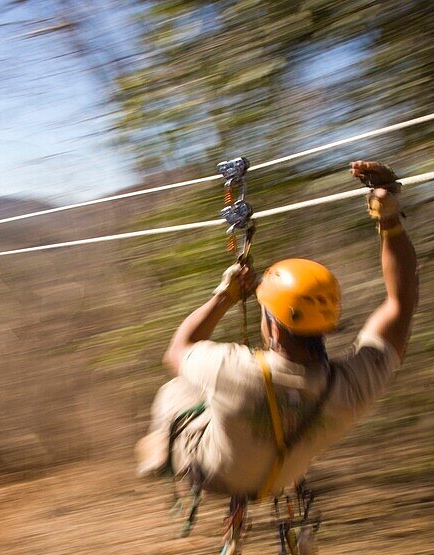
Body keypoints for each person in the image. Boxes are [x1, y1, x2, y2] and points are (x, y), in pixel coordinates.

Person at [136, 161, 418, 499]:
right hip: (274, 482)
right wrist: (389, 218)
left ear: (275, 326)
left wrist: (223, 297)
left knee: (177, 389)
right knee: (217, 396)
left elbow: (178, 349)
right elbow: (400, 302)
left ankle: (160, 448)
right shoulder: (353, 386)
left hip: (212, 474)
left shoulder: (233, 369)